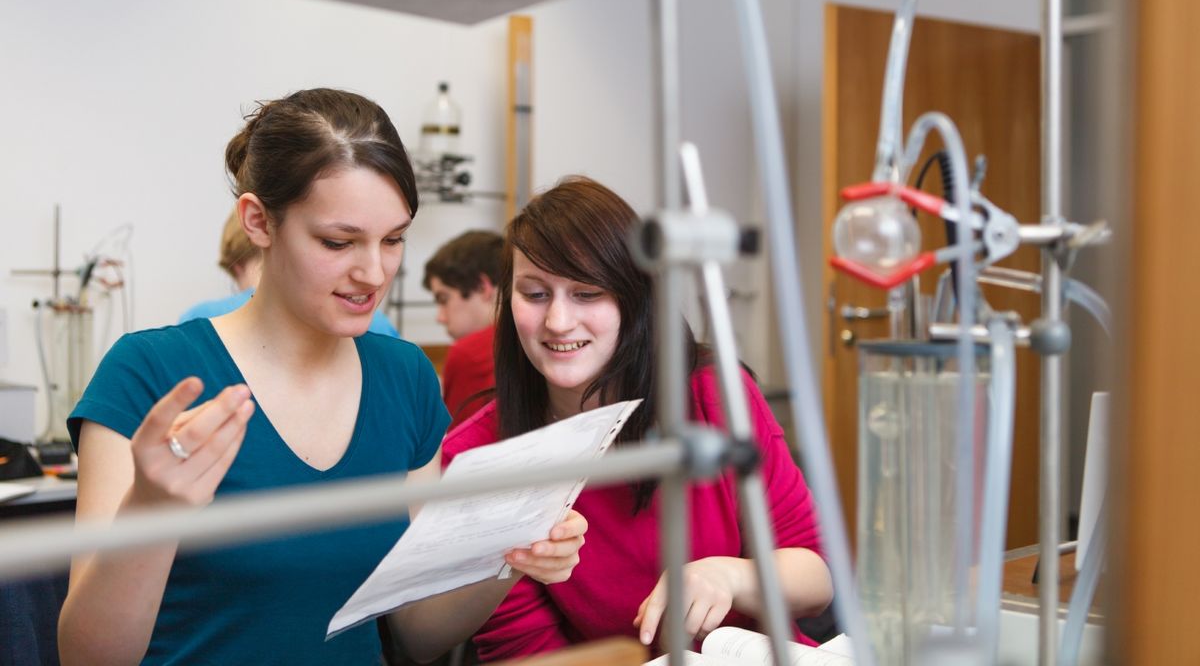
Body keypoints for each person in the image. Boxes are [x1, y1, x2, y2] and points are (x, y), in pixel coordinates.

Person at [58, 89, 587, 666]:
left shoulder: (404, 376)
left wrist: (507, 554)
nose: (373, 272)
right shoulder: (149, 373)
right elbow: (88, 657)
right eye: (338, 242)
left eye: (394, 240)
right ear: (258, 221)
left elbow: (416, 632)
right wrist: (151, 510)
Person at [442, 176, 833, 661]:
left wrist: (729, 576)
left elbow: (817, 576)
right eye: (535, 293)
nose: (559, 322)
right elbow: (526, 651)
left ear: (634, 299)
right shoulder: (480, 455)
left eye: (587, 293)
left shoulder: (715, 395)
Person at [179, 208, 400, 337]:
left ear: (236, 266)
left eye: (393, 240)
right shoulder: (376, 321)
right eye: (336, 242)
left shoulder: (199, 320)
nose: (374, 277)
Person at [422, 230, 503, 429]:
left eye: (444, 299)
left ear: (482, 287)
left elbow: (454, 451)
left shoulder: (469, 354)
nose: (440, 317)